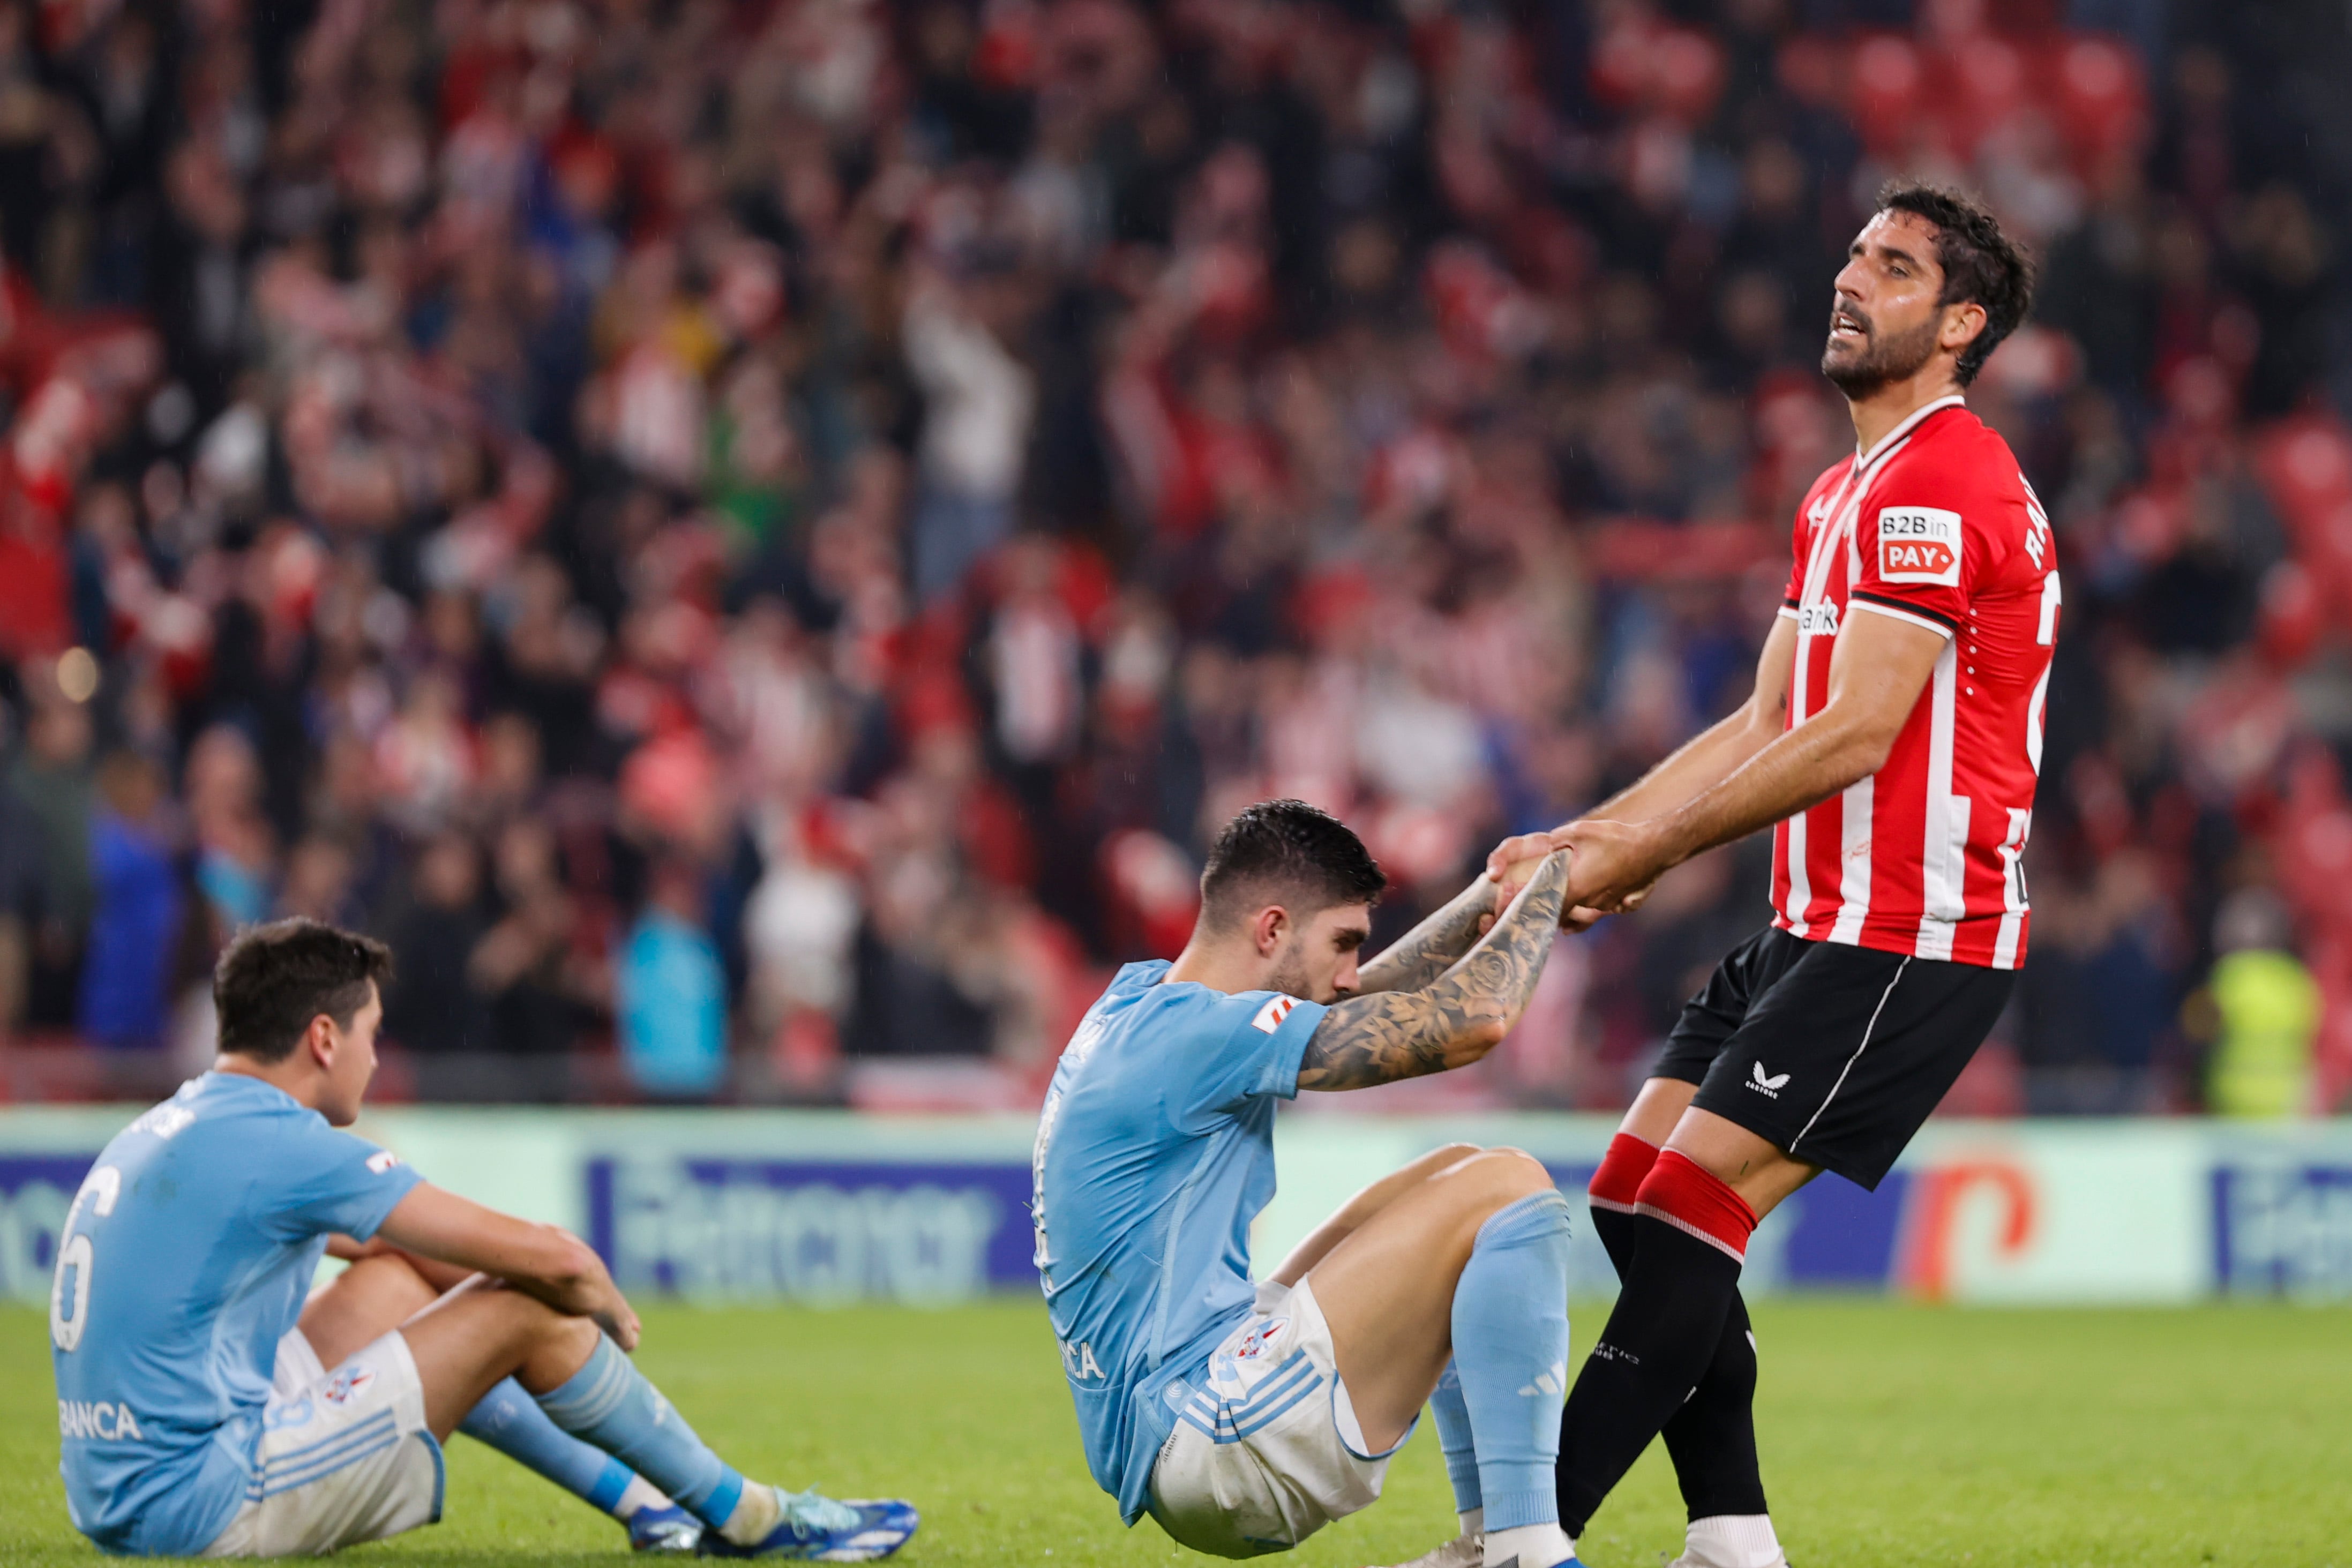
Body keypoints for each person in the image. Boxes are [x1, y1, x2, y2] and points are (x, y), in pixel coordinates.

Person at [1479, 181, 2050, 1568]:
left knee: (1687, 1205)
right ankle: (1730, 1538)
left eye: (1895, 267)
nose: (1850, 279)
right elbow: (1761, 721)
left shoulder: (1945, 479)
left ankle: (1523, 1540)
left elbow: (1853, 734)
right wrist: (1586, 837)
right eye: (1853, 254)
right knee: (1630, 1194)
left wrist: (1646, 853)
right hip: (1815, 924)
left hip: (1912, 931)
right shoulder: (1838, 490)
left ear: (1958, 322)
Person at [48, 917, 918, 1559]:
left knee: (397, 1285)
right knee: (522, 1309)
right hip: (199, 1507)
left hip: (116, 1493)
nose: (376, 1060)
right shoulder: (287, 1145)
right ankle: (752, 1519)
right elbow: (541, 1259)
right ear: (322, 1038)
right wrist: (585, 1289)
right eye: (371, 1035)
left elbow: (400, 1255)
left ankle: (650, 1508)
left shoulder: (178, 1122)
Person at [1032, 798, 1591, 1568]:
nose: (1351, 971)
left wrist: (1487, 903)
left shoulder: (1143, 1003)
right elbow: (1475, 1020)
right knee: (1506, 1185)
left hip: (1172, 1425)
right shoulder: (1205, 1035)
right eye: (1343, 943)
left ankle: (1483, 1548)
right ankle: (1527, 1548)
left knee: (1450, 1175)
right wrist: (1556, 877)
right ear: (1270, 929)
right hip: (1211, 1433)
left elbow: (1367, 999)